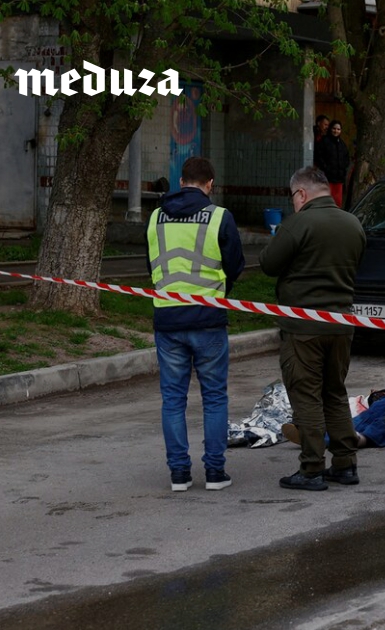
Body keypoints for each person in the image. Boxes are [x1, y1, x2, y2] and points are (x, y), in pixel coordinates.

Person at [260, 166, 367, 491]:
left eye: (293, 197)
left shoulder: (298, 223)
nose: (294, 202)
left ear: (302, 194)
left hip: (302, 327)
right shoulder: (353, 224)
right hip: (341, 326)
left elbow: (268, 264)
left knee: (305, 395)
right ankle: (345, 464)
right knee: (335, 392)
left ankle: (311, 469)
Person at [146, 156, 245, 492]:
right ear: (209, 185)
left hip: (168, 319)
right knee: (214, 397)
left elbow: (153, 266)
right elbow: (235, 265)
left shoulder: (156, 217)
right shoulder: (220, 217)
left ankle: (179, 475)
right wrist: (217, 294)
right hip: (208, 320)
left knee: (173, 399)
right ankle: (215, 473)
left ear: (181, 181)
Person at [313, 119, 350, 208]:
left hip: (339, 180)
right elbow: (319, 157)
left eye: (338, 129)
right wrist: (326, 169)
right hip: (327, 179)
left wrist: (343, 171)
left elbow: (346, 159)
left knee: (337, 203)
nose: (336, 131)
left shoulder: (342, 144)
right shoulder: (324, 142)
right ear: (330, 129)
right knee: (326, 202)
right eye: (334, 128)